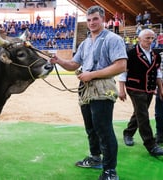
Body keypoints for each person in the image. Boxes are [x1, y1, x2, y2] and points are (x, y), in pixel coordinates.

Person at [50, 5, 127, 180]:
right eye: (89, 19)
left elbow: (121, 65)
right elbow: (73, 65)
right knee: (91, 128)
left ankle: (110, 170)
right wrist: (58, 60)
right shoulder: (85, 43)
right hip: (86, 90)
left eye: (95, 19)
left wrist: (91, 74)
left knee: (104, 129)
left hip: (103, 89)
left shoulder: (113, 39)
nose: (91, 22)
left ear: (103, 19)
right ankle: (95, 158)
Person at [118, 29, 163, 156]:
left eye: (152, 38)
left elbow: (158, 73)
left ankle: (128, 133)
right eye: (147, 38)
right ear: (139, 39)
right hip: (135, 88)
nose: (150, 41)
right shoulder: (131, 54)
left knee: (139, 112)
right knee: (143, 115)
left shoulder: (156, 55)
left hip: (149, 88)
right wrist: (121, 90)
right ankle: (151, 145)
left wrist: (161, 89)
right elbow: (123, 72)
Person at [155, 51, 163, 144]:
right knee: (160, 114)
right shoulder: (160, 56)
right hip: (162, 88)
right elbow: (158, 74)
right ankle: (160, 134)